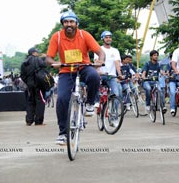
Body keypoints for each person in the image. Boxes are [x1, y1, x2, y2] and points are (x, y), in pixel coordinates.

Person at [46, 11, 105, 145]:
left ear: (76, 23)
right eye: (66, 22)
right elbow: (49, 57)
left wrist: (100, 61)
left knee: (94, 76)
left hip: (83, 67)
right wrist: (54, 63)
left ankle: (90, 103)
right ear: (63, 24)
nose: (69, 24)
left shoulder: (84, 35)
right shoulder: (57, 37)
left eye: (71, 22)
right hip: (66, 70)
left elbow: (100, 52)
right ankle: (62, 133)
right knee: (61, 99)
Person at [94, 31, 123, 108]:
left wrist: (119, 74)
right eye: (106, 37)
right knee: (95, 84)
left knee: (116, 94)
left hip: (111, 76)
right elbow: (97, 61)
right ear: (103, 39)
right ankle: (96, 101)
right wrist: (98, 71)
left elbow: (117, 62)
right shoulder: (99, 49)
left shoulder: (115, 50)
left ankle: (114, 115)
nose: (108, 39)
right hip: (101, 75)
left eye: (110, 37)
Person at [20, 47, 47, 126]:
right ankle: (38, 121)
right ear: (33, 53)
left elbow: (22, 75)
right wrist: (44, 57)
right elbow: (44, 65)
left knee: (30, 102)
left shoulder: (24, 62)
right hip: (39, 84)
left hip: (29, 85)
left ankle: (29, 120)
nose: (37, 53)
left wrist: (28, 82)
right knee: (40, 101)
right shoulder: (37, 59)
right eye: (37, 52)